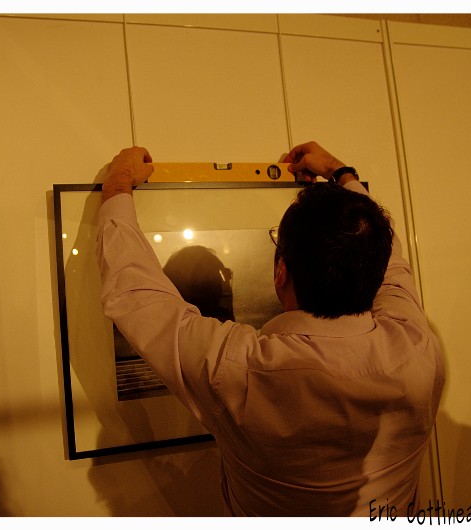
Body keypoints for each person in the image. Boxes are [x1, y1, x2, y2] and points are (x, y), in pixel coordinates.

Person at [96, 141, 445, 516]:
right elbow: (390, 263)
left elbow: (137, 294)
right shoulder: (417, 347)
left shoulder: (240, 369)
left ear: (280, 272)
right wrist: (340, 172)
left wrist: (119, 181)